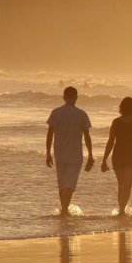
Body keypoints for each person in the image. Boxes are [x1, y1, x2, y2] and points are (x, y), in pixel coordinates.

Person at [46, 86, 93, 217]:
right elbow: (87, 136)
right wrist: (90, 154)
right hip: (75, 155)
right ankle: (65, 210)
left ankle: (64, 210)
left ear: (64, 97)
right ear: (76, 98)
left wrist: (48, 153)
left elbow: (49, 134)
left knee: (62, 185)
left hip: (59, 153)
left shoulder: (56, 112)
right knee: (69, 185)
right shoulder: (81, 114)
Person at [100, 97, 132, 217]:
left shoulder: (116, 122)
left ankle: (121, 211)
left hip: (118, 157)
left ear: (121, 108)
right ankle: (121, 211)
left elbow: (110, 142)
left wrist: (104, 159)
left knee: (122, 185)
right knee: (125, 186)